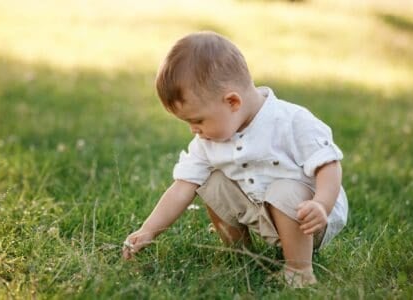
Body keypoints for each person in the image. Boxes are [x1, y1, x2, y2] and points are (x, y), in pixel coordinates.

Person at [122, 31, 348, 288]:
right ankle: (240, 253)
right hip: (260, 211)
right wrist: (149, 230)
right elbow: (182, 187)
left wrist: (321, 204)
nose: (193, 130)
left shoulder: (291, 120)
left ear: (232, 101)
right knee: (211, 181)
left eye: (197, 120)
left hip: (308, 219)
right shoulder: (208, 141)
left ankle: (299, 269)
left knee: (284, 190)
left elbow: (328, 164)